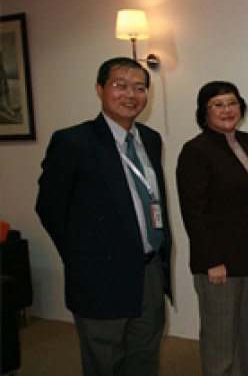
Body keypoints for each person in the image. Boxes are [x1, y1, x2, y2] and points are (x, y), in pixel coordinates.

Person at [36, 57, 172, 376]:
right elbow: (50, 208)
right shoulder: (74, 141)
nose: (131, 94)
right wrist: (83, 259)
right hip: (101, 278)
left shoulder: (150, 140)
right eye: (120, 85)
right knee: (104, 361)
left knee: (145, 357)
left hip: (149, 271)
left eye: (139, 88)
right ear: (100, 89)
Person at [176, 81, 248, 376]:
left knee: (245, 336)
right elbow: (195, 212)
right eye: (218, 104)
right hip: (218, 266)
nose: (227, 110)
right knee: (220, 343)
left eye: (232, 103)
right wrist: (212, 260)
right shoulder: (196, 151)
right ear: (204, 112)